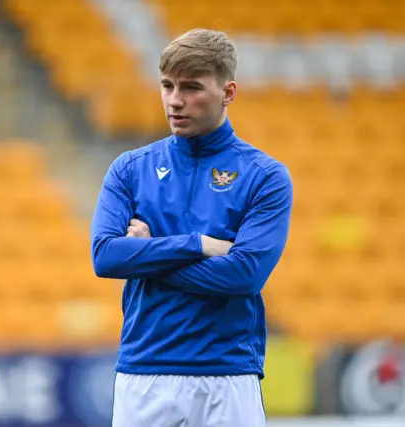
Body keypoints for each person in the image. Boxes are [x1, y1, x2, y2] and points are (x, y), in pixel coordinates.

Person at [91, 29, 293, 427]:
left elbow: (243, 276)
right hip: (144, 371)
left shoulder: (265, 176)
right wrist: (198, 244)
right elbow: (105, 256)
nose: (174, 100)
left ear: (228, 92)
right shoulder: (130, 169)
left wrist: (147, 254)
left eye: (192, 87)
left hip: (228, 374)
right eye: (167, 85)